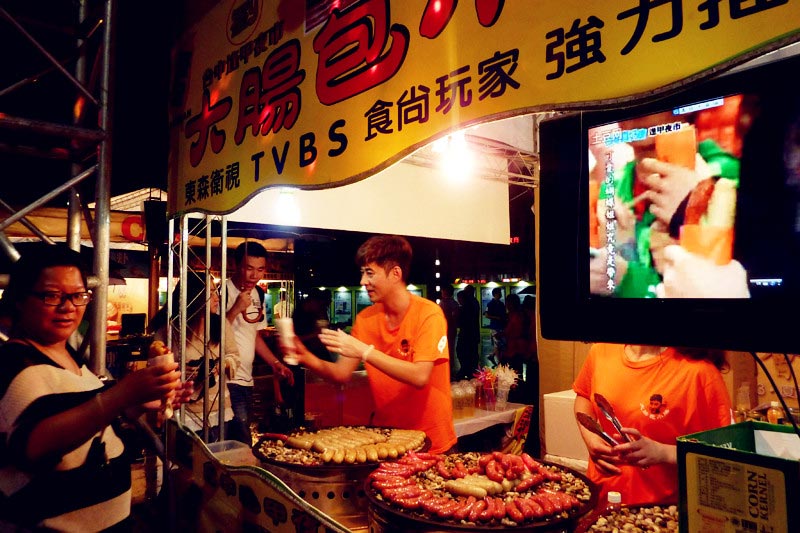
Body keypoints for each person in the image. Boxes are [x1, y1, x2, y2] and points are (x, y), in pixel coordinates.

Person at [0, 243, 189, 531]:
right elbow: (35, 444)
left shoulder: (68, 355)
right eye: (52, 296)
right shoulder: (12, 361)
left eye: (78, 296)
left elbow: (85, 426)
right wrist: (121, 394)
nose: (68, 307)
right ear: (20, 300)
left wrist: (138, 403)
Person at [282, 235, 457, 454]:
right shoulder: (366, 318)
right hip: (389, 438)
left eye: (370, 273)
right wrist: (305, 357)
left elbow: (420, 376)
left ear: (395, 274)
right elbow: (341, 374)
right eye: (363, 273)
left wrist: (364, 351)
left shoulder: (428, 313)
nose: (363, 281)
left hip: (431, 440)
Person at [573, 343, 732, 506]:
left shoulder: (700, 371)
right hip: (599, 497)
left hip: (661, 510)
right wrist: (590, 436)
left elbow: (722, 452)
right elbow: (584, 396)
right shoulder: (602, 350)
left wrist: (663, 452)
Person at [150, 274, 240, 442]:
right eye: (211, 293)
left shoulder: (221, 325)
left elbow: (233, 356)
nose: (216, 298)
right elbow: (156, 367)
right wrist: (181, 370)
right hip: (183, 409)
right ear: (194, 296)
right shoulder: (169, 330)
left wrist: (219, 366)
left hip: (217, 407)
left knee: (216, 459)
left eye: (216, 292)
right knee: (187, 463)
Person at [225, 241, 294, 444]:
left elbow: (254, 335)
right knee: (241, 440)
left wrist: (275, 363)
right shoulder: (222, 292)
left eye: (260, 269)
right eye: (249, 268)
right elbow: (211, 336)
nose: (255, 276)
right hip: (227, 379)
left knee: (242, 434)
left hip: (247, 378)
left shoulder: (258, 294)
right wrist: (236, 308)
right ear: (236, 265)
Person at [292, 288, 335, 362]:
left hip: (319, 352)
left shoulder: (318, 312)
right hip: (306, 354)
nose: (319, 306)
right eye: (318, 303)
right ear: (311, 301)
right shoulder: (299, 315)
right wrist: (315, 334)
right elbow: (295, 338)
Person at [456, 285, 481, 379]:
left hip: (466, 333)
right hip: (473, 333)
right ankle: (470, 371)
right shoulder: (475, 302)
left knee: (462, 351)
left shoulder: (466, 306)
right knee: (472, 353)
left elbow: (461, 322)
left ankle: (465, 370)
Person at [438, 284, 460, 380]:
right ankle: (449, 371)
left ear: (445, 292)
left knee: (444, 350)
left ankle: (446, 371)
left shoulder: (442, 303)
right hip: (451, 329)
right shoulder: (454, 303)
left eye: (442, 291)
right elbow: (456, 317)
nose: (441, 292)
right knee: (450, 350)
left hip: (444, 330)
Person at [484, 287, 506, 364]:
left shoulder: (501, 303)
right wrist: (496, 317)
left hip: (501, 326)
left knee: (501, 343)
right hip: (494, 326)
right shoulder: (490, 304)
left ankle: (492, 355)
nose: (500, 294)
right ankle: (500, 362)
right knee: (497, 344)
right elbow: (486, 315)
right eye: (499, 293)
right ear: (495, 294)